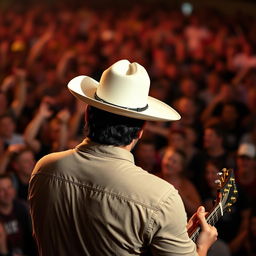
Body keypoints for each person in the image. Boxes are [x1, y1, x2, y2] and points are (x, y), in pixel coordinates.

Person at [29, 59, 217, 255]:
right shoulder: (160, 197)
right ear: (141, 131)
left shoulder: (45, 167)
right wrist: (201, 247)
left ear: (87, 115)